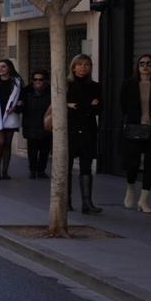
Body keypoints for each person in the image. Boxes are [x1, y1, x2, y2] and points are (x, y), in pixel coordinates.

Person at [120, 53, 151, 213]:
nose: (145, 66)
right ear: (137, 66)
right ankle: (130, 188)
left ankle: (143, 200)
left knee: (150, 163)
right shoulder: (129, 84)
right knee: (133, 163)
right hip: (135, 128)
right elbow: (123, 106)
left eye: (149, 63)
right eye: (142, 63)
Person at [66, 54, 105, 215]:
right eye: (80, 64)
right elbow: (68, 109)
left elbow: (98, 109)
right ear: (73, 67)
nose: (83, 67)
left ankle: (87, 203)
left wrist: (79, 107)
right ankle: (65, 201)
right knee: (65, 167)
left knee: (86, 167)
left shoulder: (95, 86)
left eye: (87, 64)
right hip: (69, 129)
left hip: (88, 129)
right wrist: (87, 106)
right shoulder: (66, 85)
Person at [0, 58, 23, 180]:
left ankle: (5, 172)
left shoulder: (17, 82)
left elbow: (21, 100)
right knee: (0, 142)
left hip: (10, 116)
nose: (0, 69)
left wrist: (16, 108)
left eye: (3, 66)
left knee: (7, 144)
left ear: (9, 68)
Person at [18, 70, 54, 180]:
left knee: (44, 151)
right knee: (32, 151)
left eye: (41, 79)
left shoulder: (51, 92)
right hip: (31, 124)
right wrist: (17, 106)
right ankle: (33, 171)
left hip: (46, 125)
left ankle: (41, 171)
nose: (38, 81)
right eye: (35, 79)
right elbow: (21, 108)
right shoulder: (26, 92)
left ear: (46, 81)